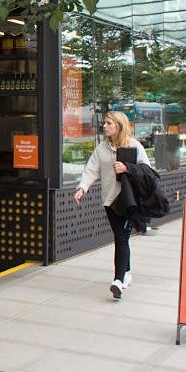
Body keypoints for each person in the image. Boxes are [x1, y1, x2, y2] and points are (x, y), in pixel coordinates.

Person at [74, 110, 150, 300]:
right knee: (121, 236)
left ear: (119, 126)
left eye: (109, 123)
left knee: (121, 237)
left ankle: (118, 280)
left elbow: (148, 171)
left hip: (128, 201)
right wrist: (82, 188)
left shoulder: (134, 146)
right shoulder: (102, 148)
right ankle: (128, 272)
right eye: (105, 123)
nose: (105, 126)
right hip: (109, 200)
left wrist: (127, 168)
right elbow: (91, 170)